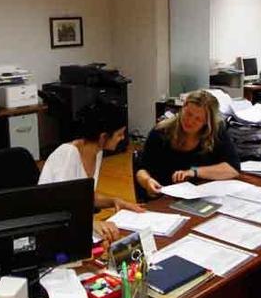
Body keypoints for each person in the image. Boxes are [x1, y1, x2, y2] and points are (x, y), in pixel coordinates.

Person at [39, 101, 143, 242]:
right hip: (54, 231)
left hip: (76, 228)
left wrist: (114, 201)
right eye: (119, 134)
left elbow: (86, 197)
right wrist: (90, 224)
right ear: (103, 137)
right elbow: (58, 207)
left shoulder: (97, 151)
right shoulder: (67, 154)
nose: (123, 138)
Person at [136, 89, 240, 198]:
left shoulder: (216, 132)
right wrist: (147, 181)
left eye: (198, 119)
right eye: (188, 114)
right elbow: (141, 170)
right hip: (164, 197)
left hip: (201, 196)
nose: (190, 121)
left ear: (207, 122)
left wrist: (194, 172)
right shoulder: (161, 133)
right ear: (183, 108)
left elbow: (233, 169)